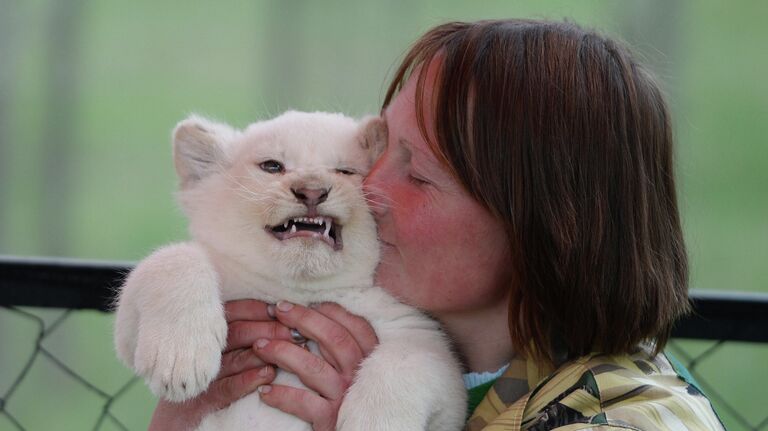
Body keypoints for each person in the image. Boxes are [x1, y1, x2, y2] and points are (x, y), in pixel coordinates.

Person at [149, 19, 725, 430]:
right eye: (377, 151)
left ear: (545, 226)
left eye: (419, 176)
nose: (366, 192)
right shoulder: (388, 342)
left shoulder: (624, 422)